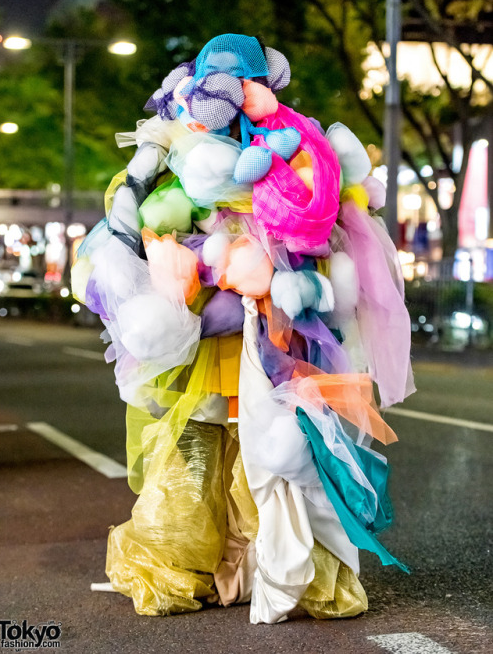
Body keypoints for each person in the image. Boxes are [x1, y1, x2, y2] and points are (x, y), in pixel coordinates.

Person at [72, 34, 415, 624]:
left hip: (268, 313)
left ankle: (275, 562)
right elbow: (129, 211)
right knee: (206, 434)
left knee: (273, 439)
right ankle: (190, 558)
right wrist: (175, 253)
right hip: (209, 314)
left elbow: (333, 212)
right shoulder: (176, 141)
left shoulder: (289, 137)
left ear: (261, 85)